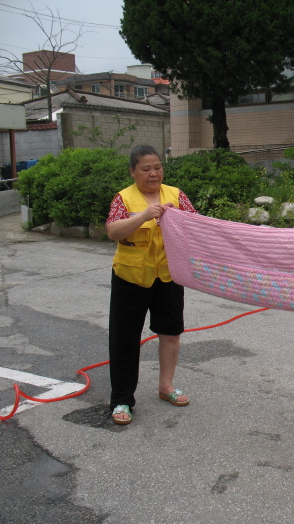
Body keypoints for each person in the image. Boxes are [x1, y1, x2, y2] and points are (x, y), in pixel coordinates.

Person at [106, 145, 198, 425]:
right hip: (130, 278)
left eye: (157, 167)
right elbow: (112, 231)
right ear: (133, 171)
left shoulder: (176, 195)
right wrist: (144, 216)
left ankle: (166, 387)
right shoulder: (124, 198)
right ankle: (122, 399)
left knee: (170, 333)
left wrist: (178, 217)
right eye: (145, 169)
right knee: (125, 339)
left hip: (168, 275)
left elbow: (196, 224)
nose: (153, 173)